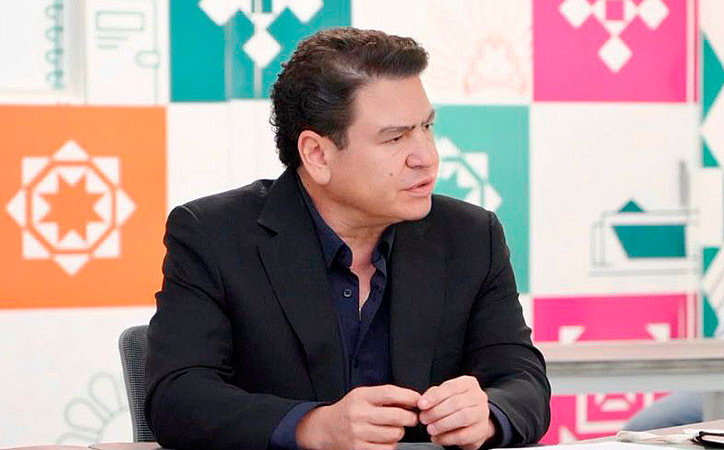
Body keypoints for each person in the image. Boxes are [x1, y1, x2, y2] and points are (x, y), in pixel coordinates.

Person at [146, 27, 550, 450]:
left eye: (426, 127)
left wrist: (488, 414)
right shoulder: (213, 235)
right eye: (395, 138)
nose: (427, 156)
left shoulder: (471, 236)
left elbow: (523, 381)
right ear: (317, 154)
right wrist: (312, 426)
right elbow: (177, 397)